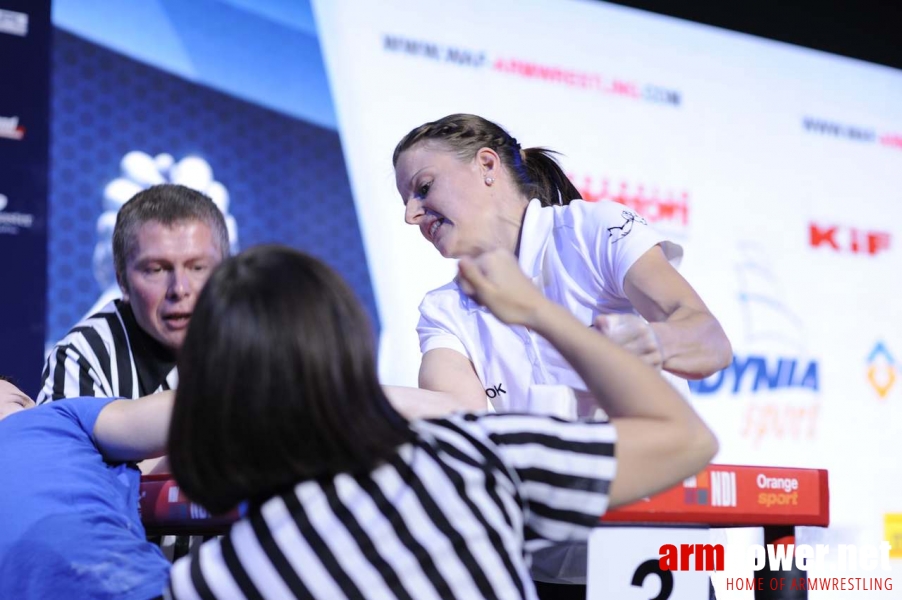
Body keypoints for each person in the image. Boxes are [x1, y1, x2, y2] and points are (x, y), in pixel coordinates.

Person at [164, 244, 718, 599]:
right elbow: (685, 437)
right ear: (352, 350)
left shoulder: (211, 582)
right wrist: (538, 312)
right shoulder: (467, 456)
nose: (412, 217)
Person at [392, 113, 733, 417]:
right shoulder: (444, 307)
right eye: (406, 202)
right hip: (555, 486)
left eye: (423, 188)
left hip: (661, 478)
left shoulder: (593, 229)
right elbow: (458, 409)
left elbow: (710, 341)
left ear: (487, 166)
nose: (411, 215)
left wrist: (649, 343)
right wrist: (351, 400)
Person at [37, 184, 229, 404]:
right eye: (156, 269)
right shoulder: (82, 358)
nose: (179, 289)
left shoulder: (261, 344)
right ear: (123, 283)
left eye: (197, 268)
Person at [0, 375, 173, 599]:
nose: (33, 408)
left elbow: (179, 416)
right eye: (20, 403)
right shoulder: (52, 420)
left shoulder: (57, 418)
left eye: (26, 404)